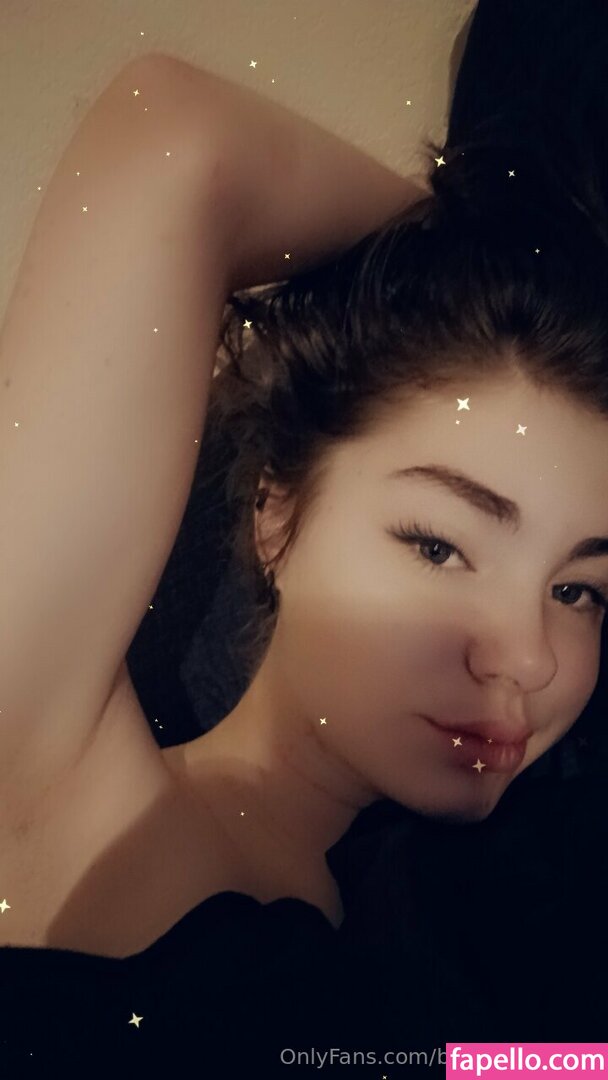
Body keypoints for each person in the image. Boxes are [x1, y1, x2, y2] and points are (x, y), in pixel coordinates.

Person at [2, 26, 608, 1077]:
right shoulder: (50, 783)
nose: (528, 658)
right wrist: (473, 263)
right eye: (438, 546)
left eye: (580, 590)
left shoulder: (519, 908)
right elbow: (176, 137)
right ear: (275, 515)